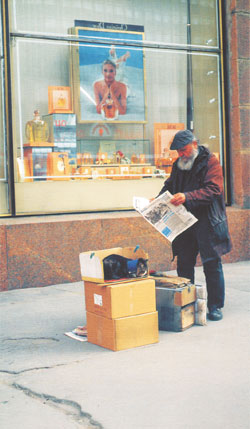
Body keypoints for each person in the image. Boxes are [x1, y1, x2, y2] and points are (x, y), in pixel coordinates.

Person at [156, 129, 232, 321]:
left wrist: (187, 197)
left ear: (194, 144)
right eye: (178, 151)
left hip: (208, 222)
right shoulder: (179, 164)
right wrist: (156, 201)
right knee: (184, 263)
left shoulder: (211, 162)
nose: (181, 154)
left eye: (184, 150)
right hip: (185, 222)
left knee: (211, 264)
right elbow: (170, 185)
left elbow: (214, 189)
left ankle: (215, 306)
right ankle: (186, 302)